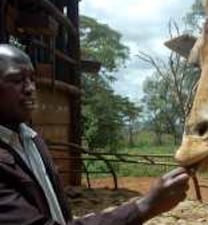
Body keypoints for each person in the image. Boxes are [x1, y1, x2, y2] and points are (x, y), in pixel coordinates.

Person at [0, 44, 190, 225]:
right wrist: (144, 206)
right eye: (17, 80)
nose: (30, 88)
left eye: (32, 79)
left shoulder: (31, 140)